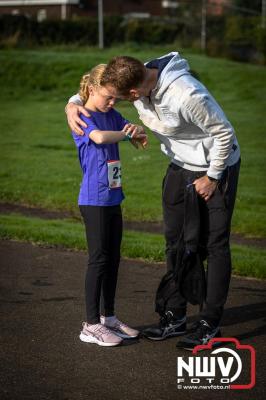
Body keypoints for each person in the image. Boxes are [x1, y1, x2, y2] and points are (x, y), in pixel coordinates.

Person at [66, 52, 241, 350]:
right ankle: (174, 316)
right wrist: (71, 103)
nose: (116, 103)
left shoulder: (187, 94)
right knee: (175, 241)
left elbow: (224, 132)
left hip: (216, 165)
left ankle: (209, 322)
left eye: (120, 99)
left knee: (213, 244)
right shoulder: (131, 75)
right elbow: (98, 86)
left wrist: (212, 176)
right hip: (179, 164)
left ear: (134, 93)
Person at [71, 64, 147, 347]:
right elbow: (100, 138)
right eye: (109, 97)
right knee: (98, 260)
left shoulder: (110, 115)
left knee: (113, 260)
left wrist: (136, 130)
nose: (113, 103)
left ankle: (109, 318)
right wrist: (128, 134)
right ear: (92, 89)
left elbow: (131, 127)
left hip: (114, 196)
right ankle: (90, 325)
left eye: (116, 99)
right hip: (94, 199)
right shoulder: (82, 115)